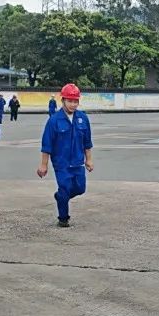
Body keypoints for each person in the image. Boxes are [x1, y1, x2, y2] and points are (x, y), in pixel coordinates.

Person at [37, 83, 93, 227]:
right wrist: (43, 165)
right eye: (70, 101)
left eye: (75, 101)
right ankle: (63, 218)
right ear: (63, 100)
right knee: (65, 187)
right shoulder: (54, 120)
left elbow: (87, 142)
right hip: (61, 164)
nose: (73, 104)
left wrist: (89, 159)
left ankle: (60, 197)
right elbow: (47, 144)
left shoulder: (82, 118)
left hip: (78, 162)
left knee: (80, 188)